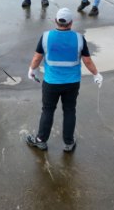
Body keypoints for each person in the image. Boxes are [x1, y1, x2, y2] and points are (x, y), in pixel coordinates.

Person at [26, 8, 103, 152]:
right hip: (72, 83)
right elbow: (87, 61)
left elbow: (37, 57)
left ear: (55, 21)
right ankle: (68, 143)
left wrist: (32, 69)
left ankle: (41, 140)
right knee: (69, 110)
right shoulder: (79, 38)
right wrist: (96, 74)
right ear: (71, 23)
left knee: (48, 110)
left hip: (51, 82)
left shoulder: (46, 36)